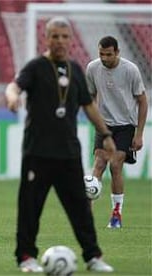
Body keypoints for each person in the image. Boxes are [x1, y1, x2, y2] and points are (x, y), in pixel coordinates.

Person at [5, 17, 116, 273]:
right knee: (30, 208)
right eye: (55, 36)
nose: (60, 41)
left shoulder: (76, 69)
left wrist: (106, 134)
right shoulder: (36, 67)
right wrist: (12, 99)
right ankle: (26, 257)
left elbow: (89, 106)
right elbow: (14, 86)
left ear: (71, 40)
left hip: (68, 153)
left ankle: (93, 256)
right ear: (47, 38)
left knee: (80, 208)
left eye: (65, 37)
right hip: (38, 152)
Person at [86, 36, 148, 229]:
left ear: (117, 52)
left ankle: (116, 214)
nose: (104, 58)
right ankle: (86, 215)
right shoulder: (93, 68)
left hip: (125, 125)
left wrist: (139, 134)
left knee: (115, 165)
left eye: (109, 54)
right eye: (101, 54)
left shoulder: (130, 70)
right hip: (104, 125)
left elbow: (142, 101)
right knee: (98, 164)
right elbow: (90, 95)